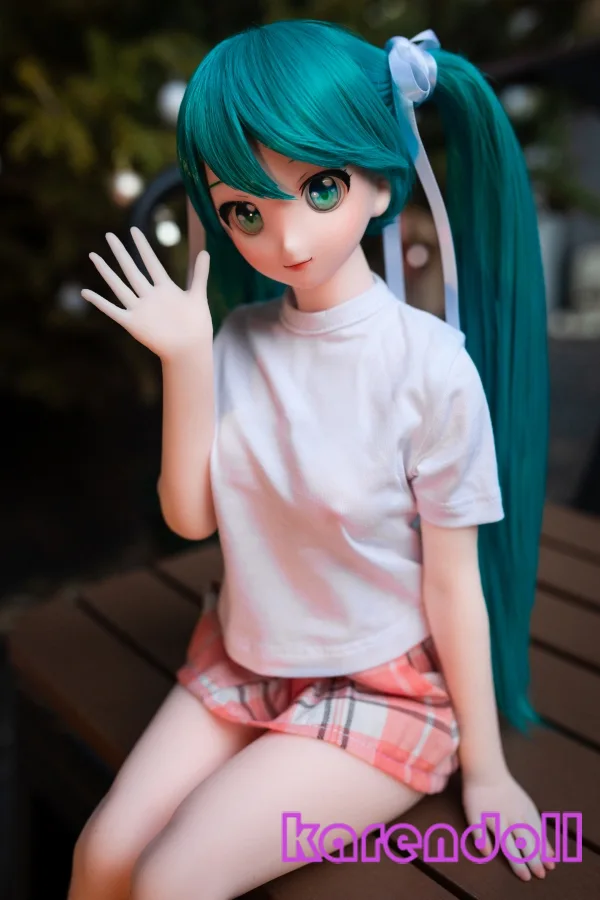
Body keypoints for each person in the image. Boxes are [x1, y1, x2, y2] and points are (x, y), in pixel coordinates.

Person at [67, 19, 553, 900]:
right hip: (245, 656)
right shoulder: (237, 342)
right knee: (101, 855)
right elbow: (190, 518)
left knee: (172, 878)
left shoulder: (430, 368)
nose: (284, 238)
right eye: (245, 211)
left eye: (319, 187)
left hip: (384, 686)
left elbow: (455, 585)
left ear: (380, 183)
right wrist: (186, 360)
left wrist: (487, 771)